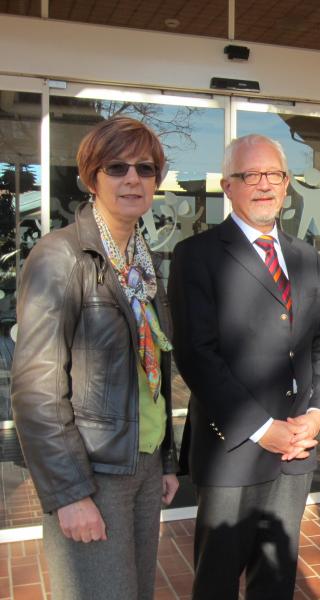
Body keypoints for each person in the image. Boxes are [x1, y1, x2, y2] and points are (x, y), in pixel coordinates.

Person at [11, 116, 179, 599]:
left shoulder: (140, 261)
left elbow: (152, 370)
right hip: (93, 473)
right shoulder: (60, 257)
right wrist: (69, 493)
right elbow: (36, 389)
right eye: (116, 167)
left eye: (145, 169)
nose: (132, 179)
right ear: (92, 177)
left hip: (141, 464)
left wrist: (164, 460)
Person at [168, 134, 320, 600]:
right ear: (228, 185)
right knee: (218, 583)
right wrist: (263, 428)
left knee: (275, 582)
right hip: (233, 453)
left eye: (275, 175)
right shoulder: (196, 256)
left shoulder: (306, 257)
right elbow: (196, 356)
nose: (264, 185)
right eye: (250, 175)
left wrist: (318, 415)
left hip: (296, 453)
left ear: (287, 184)